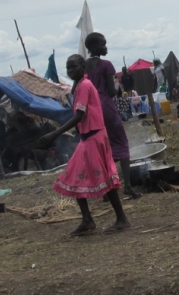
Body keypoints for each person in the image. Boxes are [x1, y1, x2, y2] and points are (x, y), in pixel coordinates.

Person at [39, 54, 130, 236]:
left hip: (94, 137)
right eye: (68, 68)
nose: (70, 71)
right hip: (90, 136)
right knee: (76, 176)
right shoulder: (81, 85)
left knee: (101, 178)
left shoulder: (85, 86)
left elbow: (80, 115)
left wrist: (55, 133)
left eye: (74, 67)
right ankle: (87, 219)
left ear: (83, 67)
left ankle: (121, 218)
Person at [84, 32, 142, 200]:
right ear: (94, 47)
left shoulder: (84, 66)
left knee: (102, 147)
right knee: (121, 143)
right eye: (103, 45)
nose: (106, 47)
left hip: (91, 110)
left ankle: (106, 190)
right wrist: (116, 88)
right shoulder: (106, 65)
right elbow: (110, 91)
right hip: (106, 107)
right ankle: (128, 186)